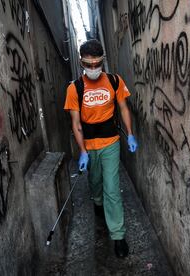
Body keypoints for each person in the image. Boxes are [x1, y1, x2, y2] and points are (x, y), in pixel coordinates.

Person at [64, 39, 138, 258]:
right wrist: (83, 151)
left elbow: (123, 108)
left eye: (97, 64)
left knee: (112, 188)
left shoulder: (114, 81)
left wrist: (130, 133)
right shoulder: (74, 88)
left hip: (111, 142)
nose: (94, 69)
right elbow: (76, 123)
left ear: (103, 61)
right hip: (89, 143)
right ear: (81, 63)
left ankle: (117, 235)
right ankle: (97, 201)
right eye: (89, 64)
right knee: (95, 181)